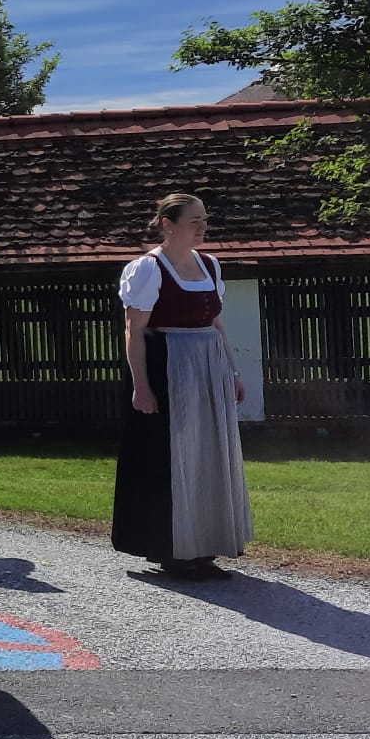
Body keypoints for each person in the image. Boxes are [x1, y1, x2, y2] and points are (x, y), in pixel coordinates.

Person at [113, 194, 252, 581]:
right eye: (195, 220)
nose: (203, 226)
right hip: (169, 365)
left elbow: (217, 323)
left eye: (204, 219)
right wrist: (141, 386)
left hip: (209, 364)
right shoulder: (148, 268)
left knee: (209, 454)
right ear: (168, 224)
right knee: (175, 457)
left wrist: (233, 372)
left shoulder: (210, 264)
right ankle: (172, 550)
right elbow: (134, 330)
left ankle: (203, 547)